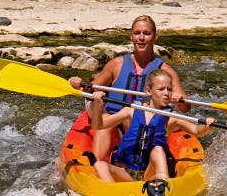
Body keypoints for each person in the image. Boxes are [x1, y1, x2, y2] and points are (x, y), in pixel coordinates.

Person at [68, 15, 190, 164]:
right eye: (137, 33)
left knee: (135, 121)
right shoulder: (117, 64)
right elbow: (92, 88)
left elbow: (185, 107)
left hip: (141, 121)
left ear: (155, 37)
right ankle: (97, 167)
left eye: (146, 33)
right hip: (112, 117)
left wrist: (178, 99)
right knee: (106, 125)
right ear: (131, 36)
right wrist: (79, 84)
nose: (141, 38)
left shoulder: (165, 71)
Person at [90, 69, 214, 183]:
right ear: (149, 91)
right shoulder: (131, 110)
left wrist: (207, 126)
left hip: (150, 174)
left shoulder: (171, 117)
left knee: (158, 150)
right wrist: (98, 106)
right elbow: (98, 125)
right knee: (100, 165)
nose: (166, 93)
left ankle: (162, 187)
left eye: (169, 89)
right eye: (161, 89)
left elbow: (196, 130)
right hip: (125, 172)